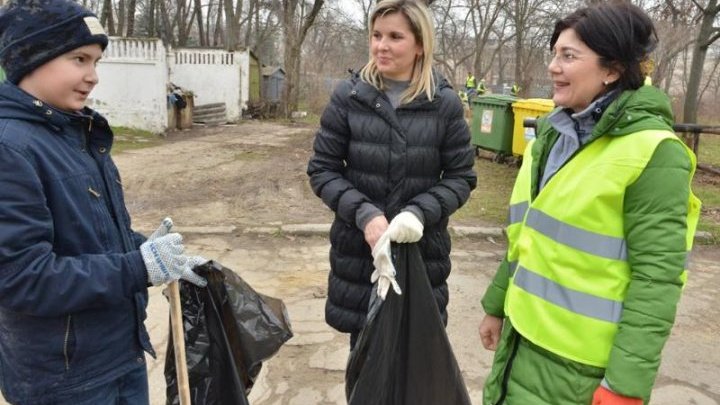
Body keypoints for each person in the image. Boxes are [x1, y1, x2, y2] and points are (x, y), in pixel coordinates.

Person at [478, 2, 701, 405]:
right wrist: (497, 305)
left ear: (613, 69)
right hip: (521, 342)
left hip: (580, 370)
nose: (553, 66)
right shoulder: (552, 134)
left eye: (568, 56)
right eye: (553, 54)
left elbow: (657, 279)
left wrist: (625, 385)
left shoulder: (655, 152)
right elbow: (526, 234)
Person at [0, 1, 208, 404]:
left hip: (118, 354)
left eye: (96, 62)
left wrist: (143, 247)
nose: (93, 77)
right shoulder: (10, 149)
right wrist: (138, 266)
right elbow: (21, 276)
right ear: (30, 58)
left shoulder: (74, 133)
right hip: (66, 381)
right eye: (79, 59)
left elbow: (90, 235)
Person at [307, 0, 476, 349]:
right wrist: (365, 214)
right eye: (376, 35)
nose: (381, 45)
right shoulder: (349, 97)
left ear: (420, 45)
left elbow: (461, 177)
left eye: (395, 36)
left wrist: (419, 212)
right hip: (359, 256)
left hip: (421, 257)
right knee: (365, 367)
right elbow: (323, 170)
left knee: (412, 370)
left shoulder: (443, 104)